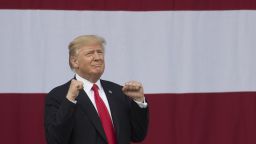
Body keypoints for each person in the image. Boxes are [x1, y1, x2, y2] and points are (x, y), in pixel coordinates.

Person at [44, 35, 149, 144]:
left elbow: (138, 135)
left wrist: (139, 101)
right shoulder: (60, 95)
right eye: (90, 53)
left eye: (100, 52)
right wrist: (70, 100)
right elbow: (55, 140)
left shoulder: (119, 92)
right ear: (75, 61)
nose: (98, 57)